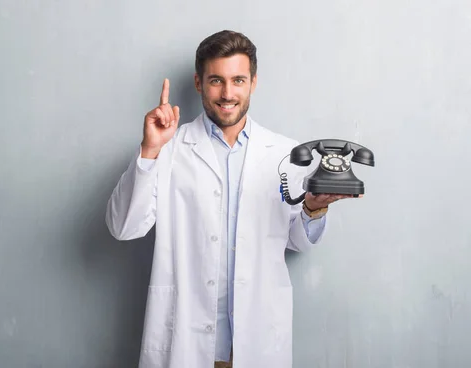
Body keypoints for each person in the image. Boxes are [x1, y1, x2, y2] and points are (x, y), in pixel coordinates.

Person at [105, 30, 356, 368]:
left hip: (256, 343)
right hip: (184, 341)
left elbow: (299, 242)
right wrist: (150, 150)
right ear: (198, 83)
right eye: (216, 81)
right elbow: (124, 227)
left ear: (253, 82)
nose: (227, 94)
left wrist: (313, 207)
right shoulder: (171, 148)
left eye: (238, 80)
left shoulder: (284, 154)